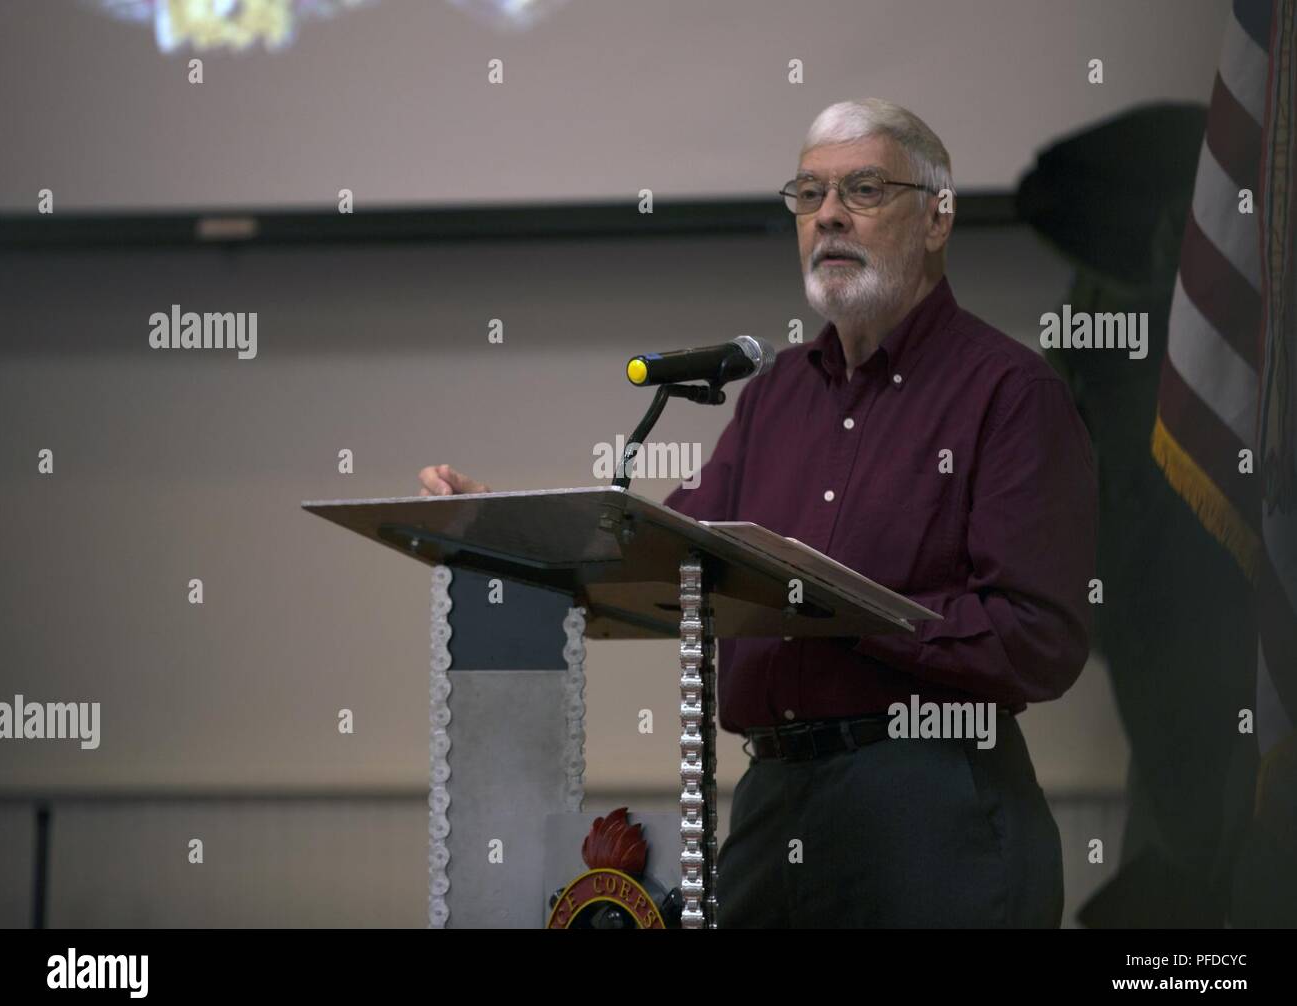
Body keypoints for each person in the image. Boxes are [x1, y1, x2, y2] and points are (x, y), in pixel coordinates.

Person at [419, 97, 1097, 928]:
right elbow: (668, 551)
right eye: (808, 195)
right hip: (774, 802)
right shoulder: (777, 394)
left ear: (936, 220)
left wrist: (848, 612)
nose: (830, 216)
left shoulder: (1009, 393)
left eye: (865, 189)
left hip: (930, 802)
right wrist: (510, 529)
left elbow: (1040, 641)